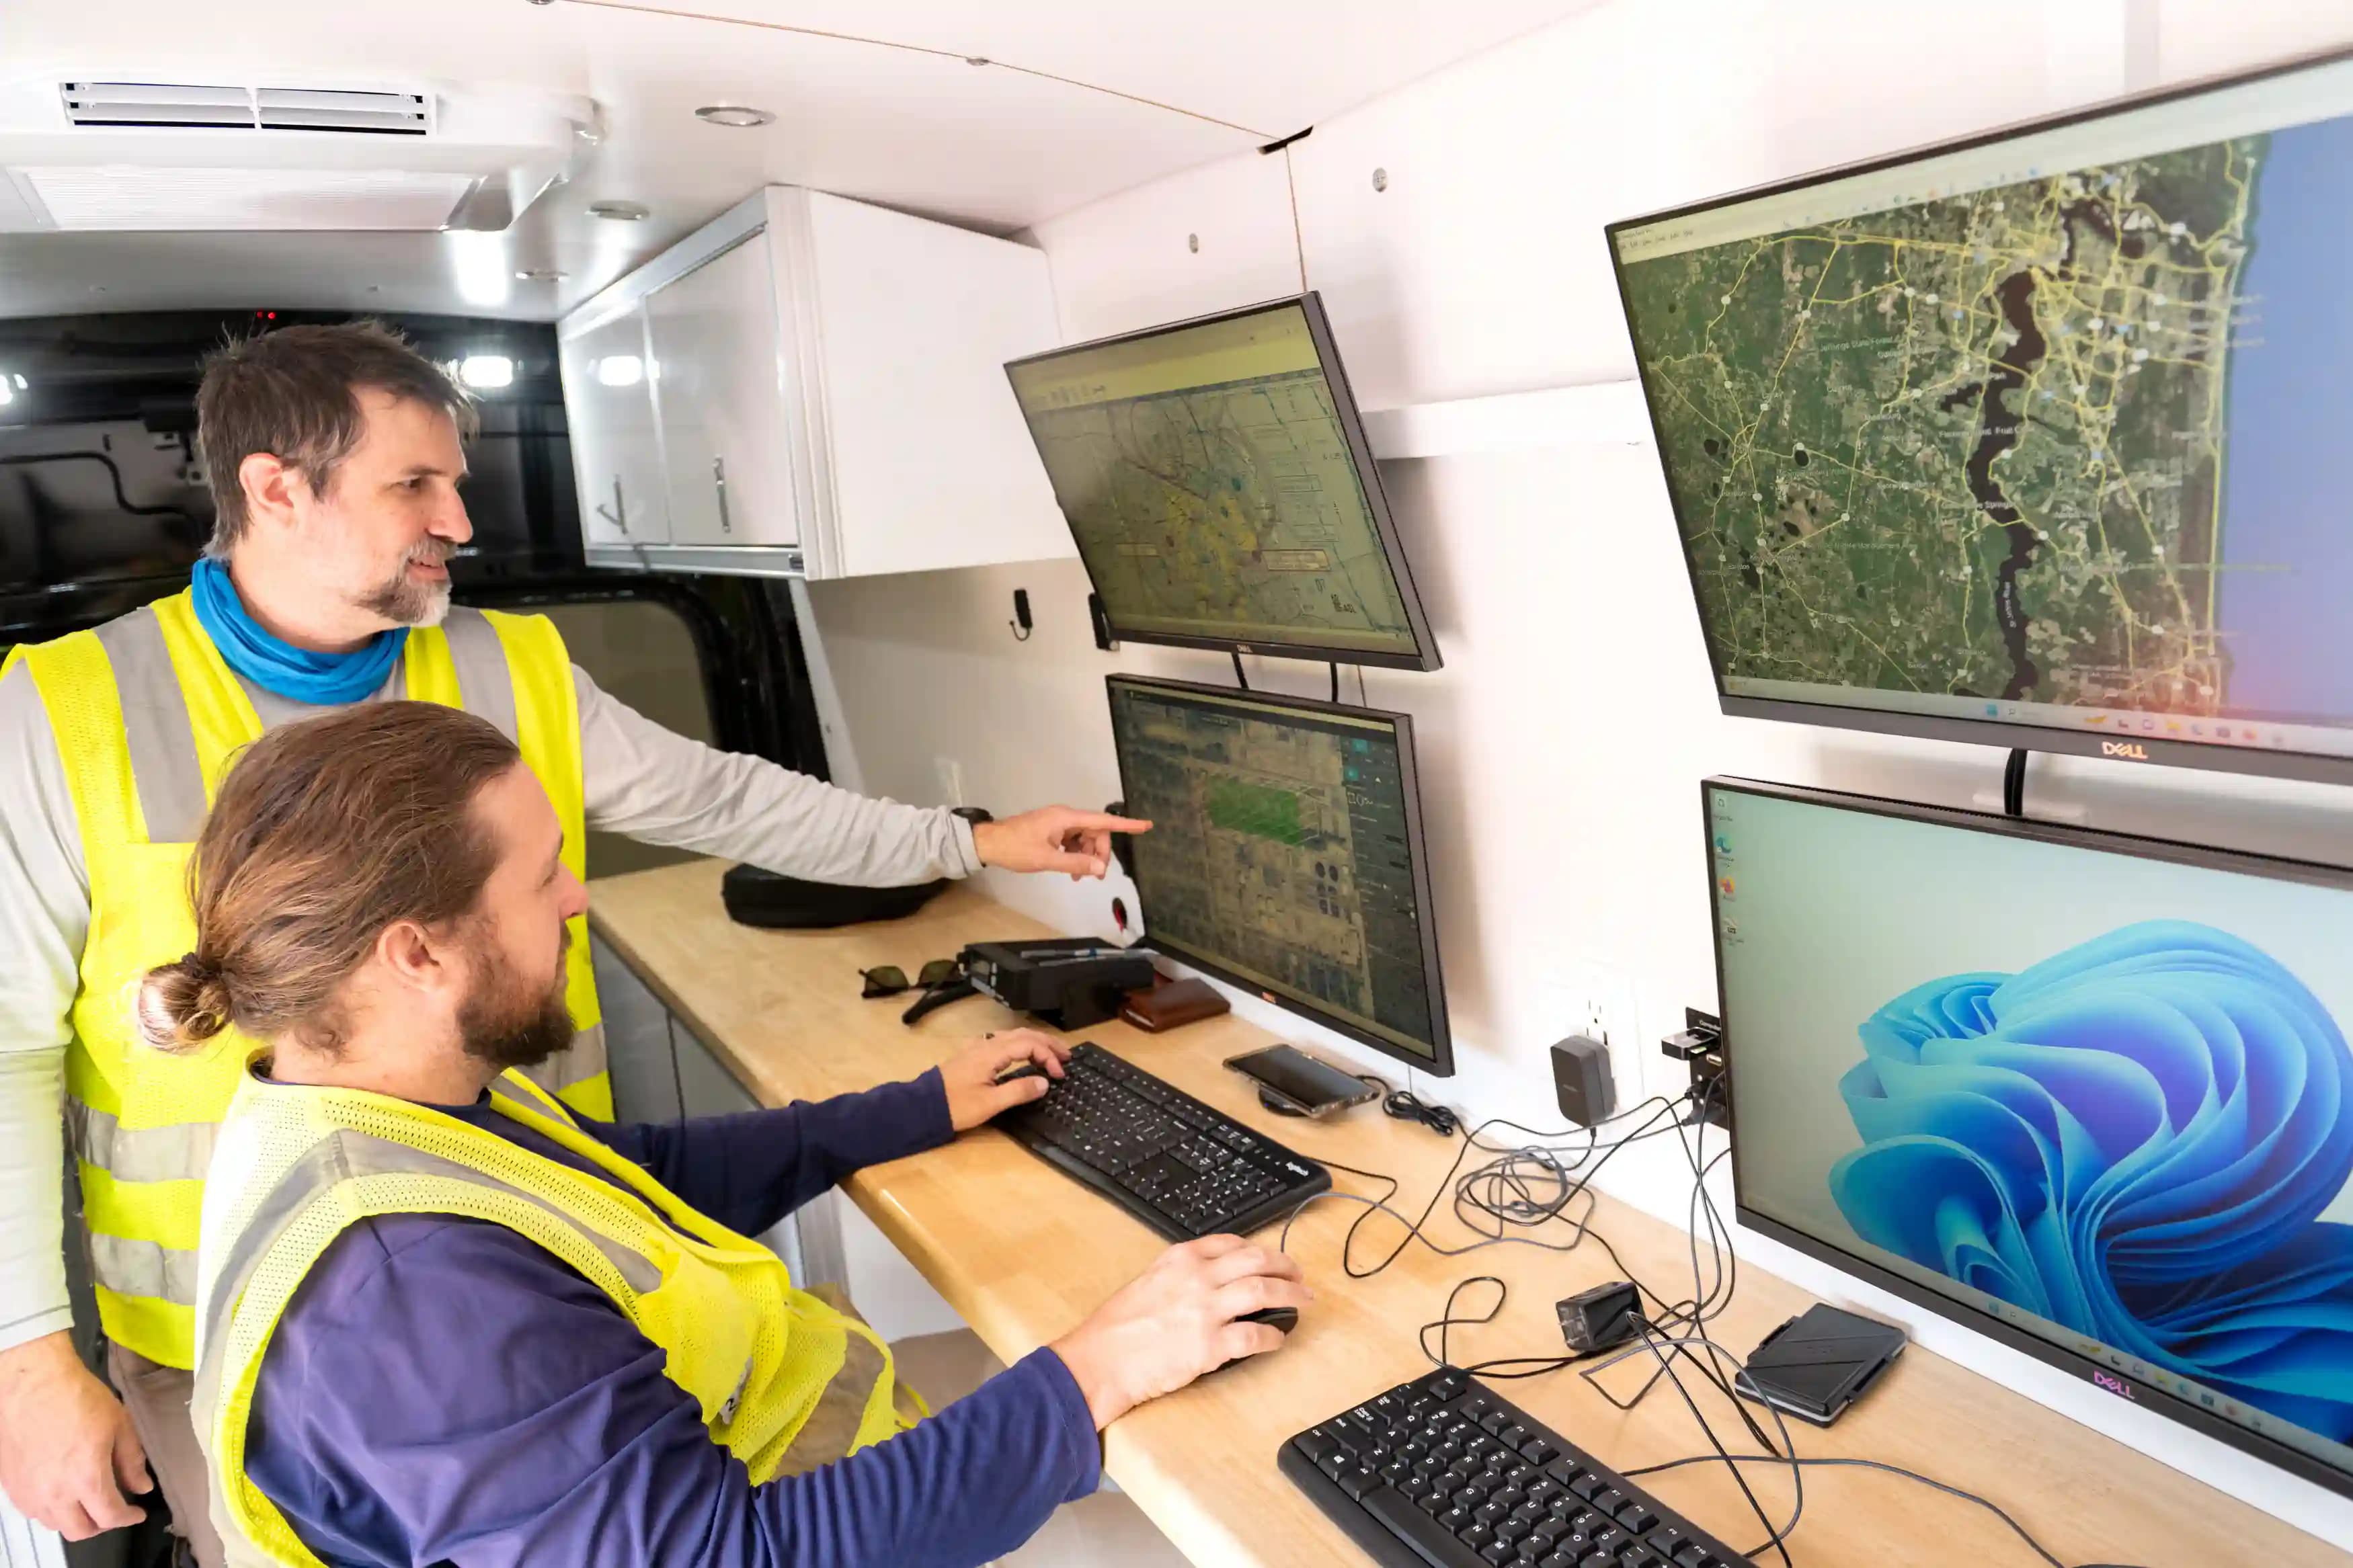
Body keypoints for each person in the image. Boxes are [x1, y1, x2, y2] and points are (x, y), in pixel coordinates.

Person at [0, 320, 1150, 1562]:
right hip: (296, 1324)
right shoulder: (64, 710)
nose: (460, 520)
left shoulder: (506, 669)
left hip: (539, 1236)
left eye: (457, 482)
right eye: (413, 484)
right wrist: (25, 1353)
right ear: (277, 489)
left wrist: (965, 842)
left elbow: (727, 800)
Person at [135, 700, 1306, 1567]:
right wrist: (1092, 1369)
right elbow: (737, 1556)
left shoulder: (372, 1094)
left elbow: (632, 1181)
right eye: (543, 878)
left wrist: (910, 1109)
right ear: (417, 952)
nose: (579, 896)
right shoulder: (413, 1292)